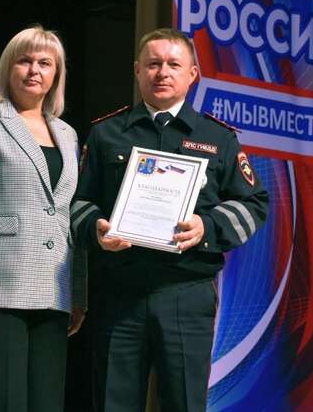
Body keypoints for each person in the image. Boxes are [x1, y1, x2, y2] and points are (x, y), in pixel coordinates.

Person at [71, 27, 269, 411]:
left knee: (184, 404)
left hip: (187, 293)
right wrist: (95, 228)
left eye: (173, 65)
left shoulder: (219, 138)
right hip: (119, 293)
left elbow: (254, 203)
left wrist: (207, 227)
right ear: (137, 70)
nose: (162, 72)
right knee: (113, 403)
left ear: (192, 74)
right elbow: (77, 202)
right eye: (153, 64)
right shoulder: (106, 134)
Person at [0, 26, 86, 412]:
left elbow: (68, 214)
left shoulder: (68, 134)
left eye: (45, 63)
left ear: (57, 74)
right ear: (8, 67)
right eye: (24, 60)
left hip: (54, 291)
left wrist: (78, 292)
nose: (34, 70)